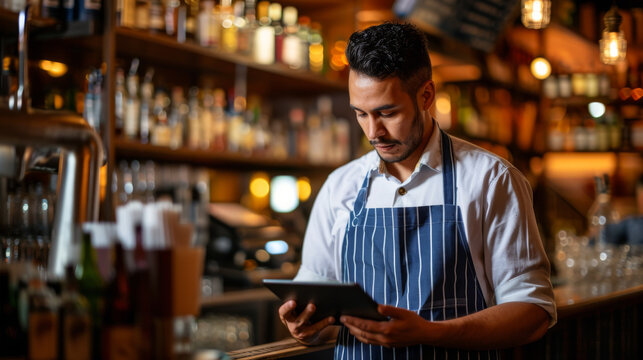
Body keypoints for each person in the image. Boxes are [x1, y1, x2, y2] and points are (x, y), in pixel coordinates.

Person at [278, 23, 556, 359]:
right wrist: (304, 326)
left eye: (387, 113)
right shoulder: (341, 187)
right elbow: (317, 309)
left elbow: (532, 312)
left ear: (426, 96)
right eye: (361, 114)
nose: (373, 132)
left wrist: (427, 333)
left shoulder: (492, 180)